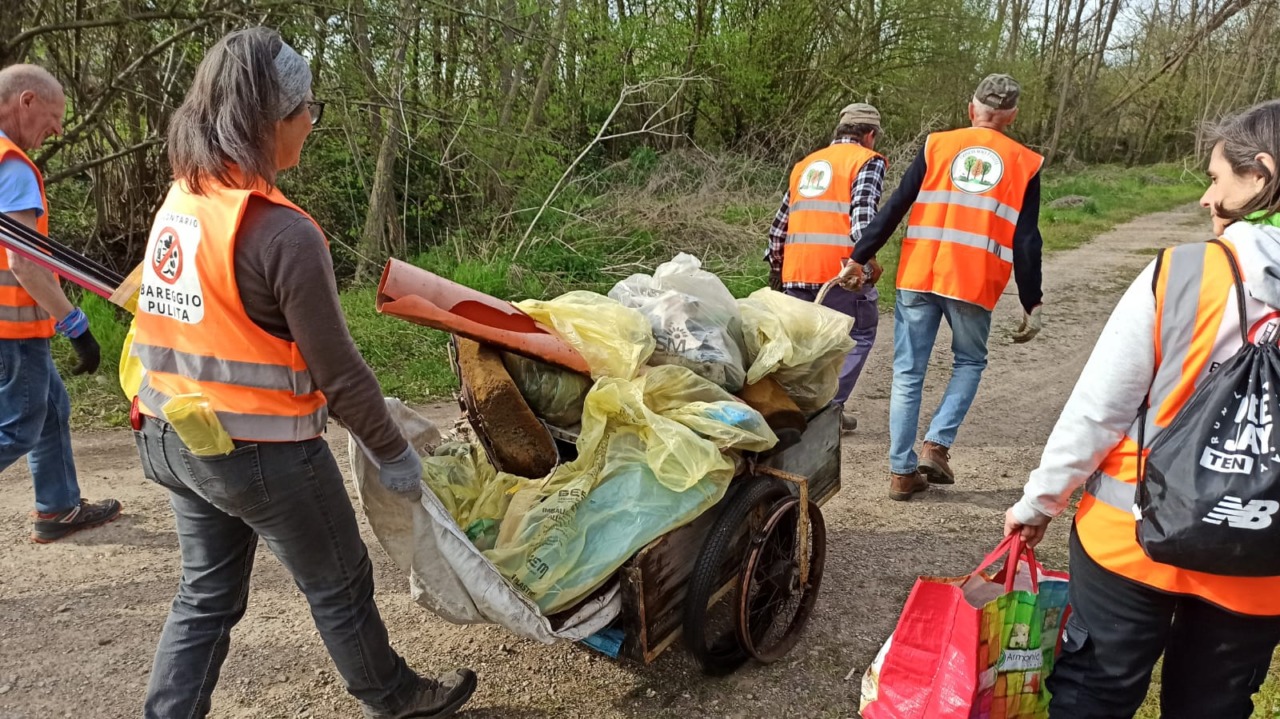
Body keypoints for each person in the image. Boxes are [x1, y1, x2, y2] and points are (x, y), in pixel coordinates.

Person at [132, 29, 475, 719]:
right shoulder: (284, 234)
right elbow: (340, 373)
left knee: (206, 592)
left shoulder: (183, 199)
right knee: (339, 580)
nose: (311, 126)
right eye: (306, 111)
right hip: (259, 453)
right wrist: (392, 451)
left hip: (170, 432)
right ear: (270, 122)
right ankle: (398, 697)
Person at [1003, 100, 1280, 718]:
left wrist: (1039, 502)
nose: (1208, 199)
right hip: (1264, 553)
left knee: (1095, 692)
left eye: (1217, 178)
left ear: (1259, 175)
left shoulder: (1183, 274)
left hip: (1132, 536)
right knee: (1214, 704)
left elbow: (1099, 410)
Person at [845, 74, 1045, 500]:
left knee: (907, 372)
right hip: (973, 281)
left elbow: (897, 203)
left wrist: (858, 256)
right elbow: (1027, 239)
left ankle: (901, 472)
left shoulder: (937, 144)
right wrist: (1032, 301)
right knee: (969, 362)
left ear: (972, 109)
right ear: (1011, 116)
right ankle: (936, 445)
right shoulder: (1025, 161)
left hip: (920, 273)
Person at [0, 63, 119, 542]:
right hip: (14, 328)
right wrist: (76, 325)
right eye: (53, 116)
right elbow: (24, 263)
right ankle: (58, 506)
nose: (57, 131)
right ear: (26, 101)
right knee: (16, 429)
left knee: (52, 408)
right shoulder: (13, 166)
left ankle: (59, 507)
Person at [765, 102, 887, 432]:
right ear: (870, 135)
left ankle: (798, 410)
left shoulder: (806, 164)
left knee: (806, 346)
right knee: (859, 334)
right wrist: (868, 262)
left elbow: (780, 226)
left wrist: (777, 268)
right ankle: (827, 410)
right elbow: (863, 219)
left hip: (796, 271)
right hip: (840, 274)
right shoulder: (866, 161)